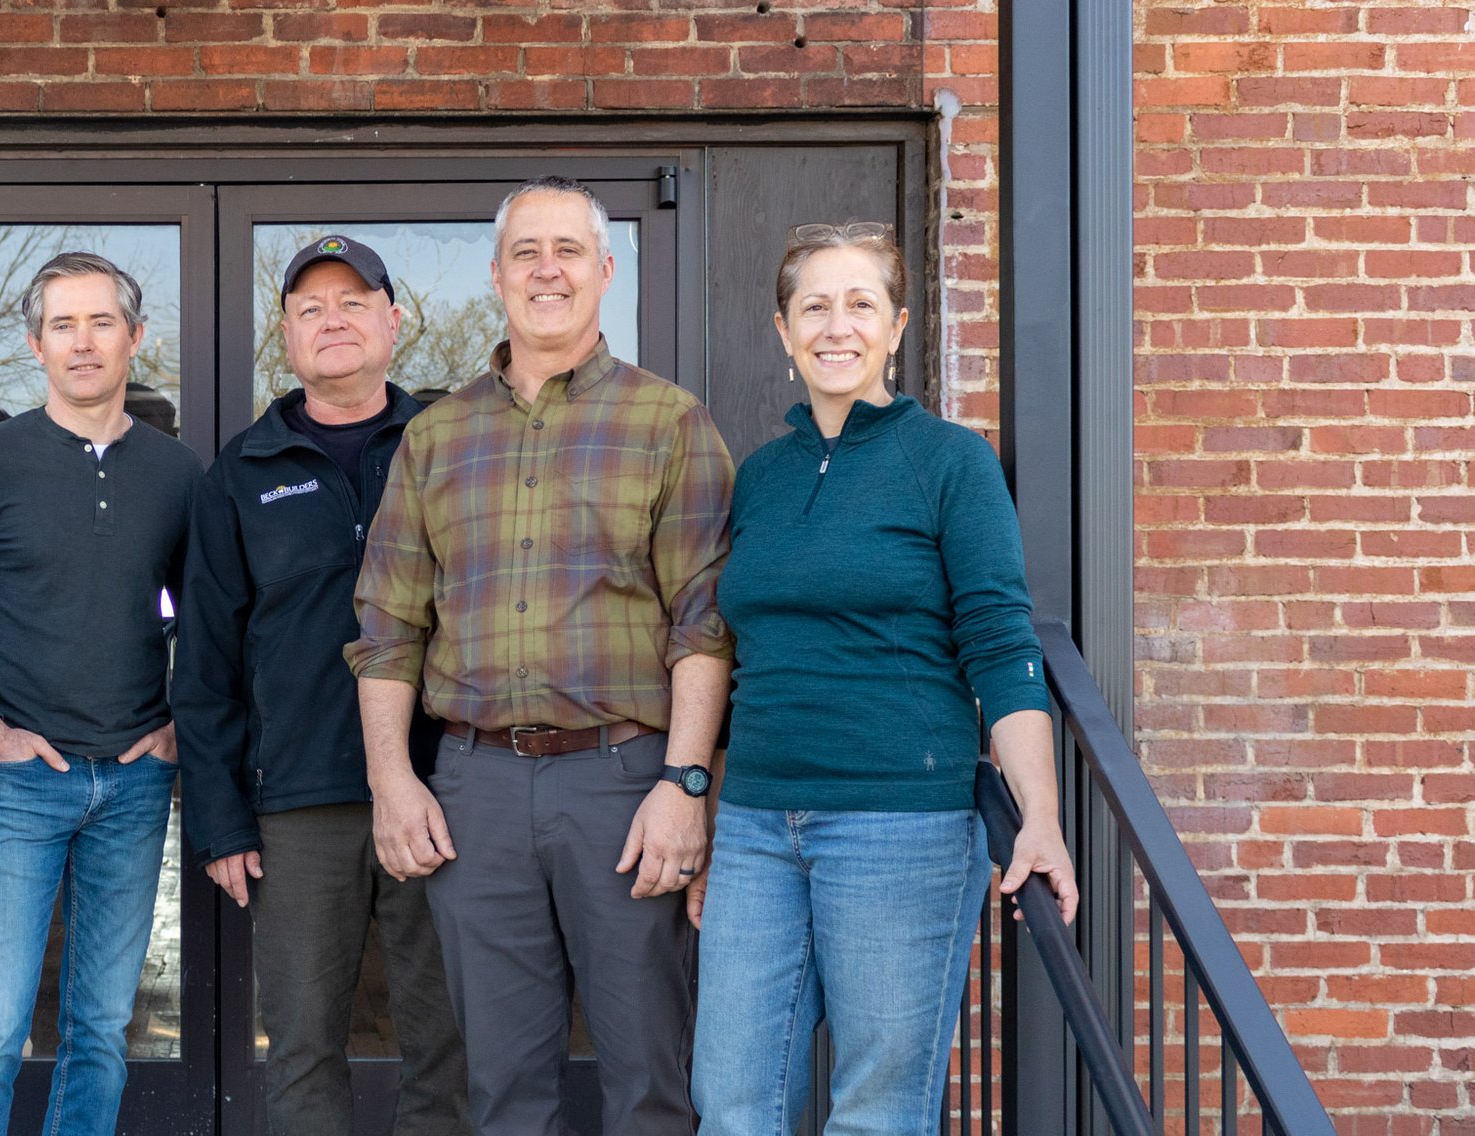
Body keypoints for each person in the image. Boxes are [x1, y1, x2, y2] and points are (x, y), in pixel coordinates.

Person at [348, 176, 735, 1135]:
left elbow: (706, 622)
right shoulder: (434, 438)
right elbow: (389, 630)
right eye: (527, 252)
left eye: (568, 250)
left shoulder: (670, 423)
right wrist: (394, 782)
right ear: (496, 275)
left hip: (623, 783)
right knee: (503, 1090)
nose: (547, 270)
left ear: (606, 272)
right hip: (473, 788)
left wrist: (686, 785)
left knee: (649, 1077)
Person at [691, 221, 1079, 1134]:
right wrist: (709, 811)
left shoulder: (951, 463)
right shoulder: (760, 478)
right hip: (754, 825)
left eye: (860, 303)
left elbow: (999, 641)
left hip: (898, 826)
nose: (837, 326)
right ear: (783, 332)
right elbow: (735, 651)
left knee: (877, 1109)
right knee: (732, 1102)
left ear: (897, 327)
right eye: (813, 306)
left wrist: (1044, 818)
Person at [177, 234, 470, 1136]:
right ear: (286, 337)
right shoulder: (242, 471)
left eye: (352, 303)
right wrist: (221, 817)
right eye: (310, 308)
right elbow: (206, 663)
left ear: (392, 320)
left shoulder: (453, 441)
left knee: (448, 1041)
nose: (332, 321)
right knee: (302, 1048)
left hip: (447, 790)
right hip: (299, 804)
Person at [0, 251, 204, 1136]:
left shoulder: (177, 474)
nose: (83, 343)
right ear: (33, 343)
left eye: (101, 323)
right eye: (63, 325)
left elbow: (205, 619)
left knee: (102, 1030)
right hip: (17, 783)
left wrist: (174, 726)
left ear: (136, 338)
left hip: (132, 784)